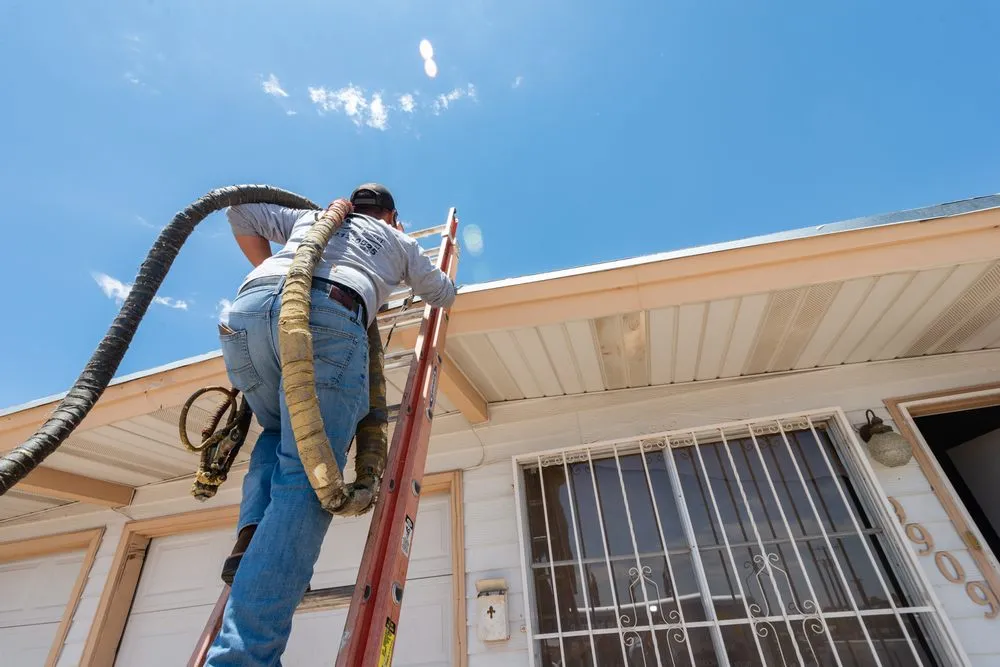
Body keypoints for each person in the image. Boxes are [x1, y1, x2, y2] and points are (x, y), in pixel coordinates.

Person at [206, 183, 456, 665]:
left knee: (279, 432)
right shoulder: (398, 241)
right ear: (392, 215)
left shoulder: (312, 220)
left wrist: (269, 273)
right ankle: (242, 658)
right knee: (307, 481)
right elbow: (441, 294)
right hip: (330, 315)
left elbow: (238, 212)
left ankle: (250, 538)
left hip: (249, 315)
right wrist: (410, 263)